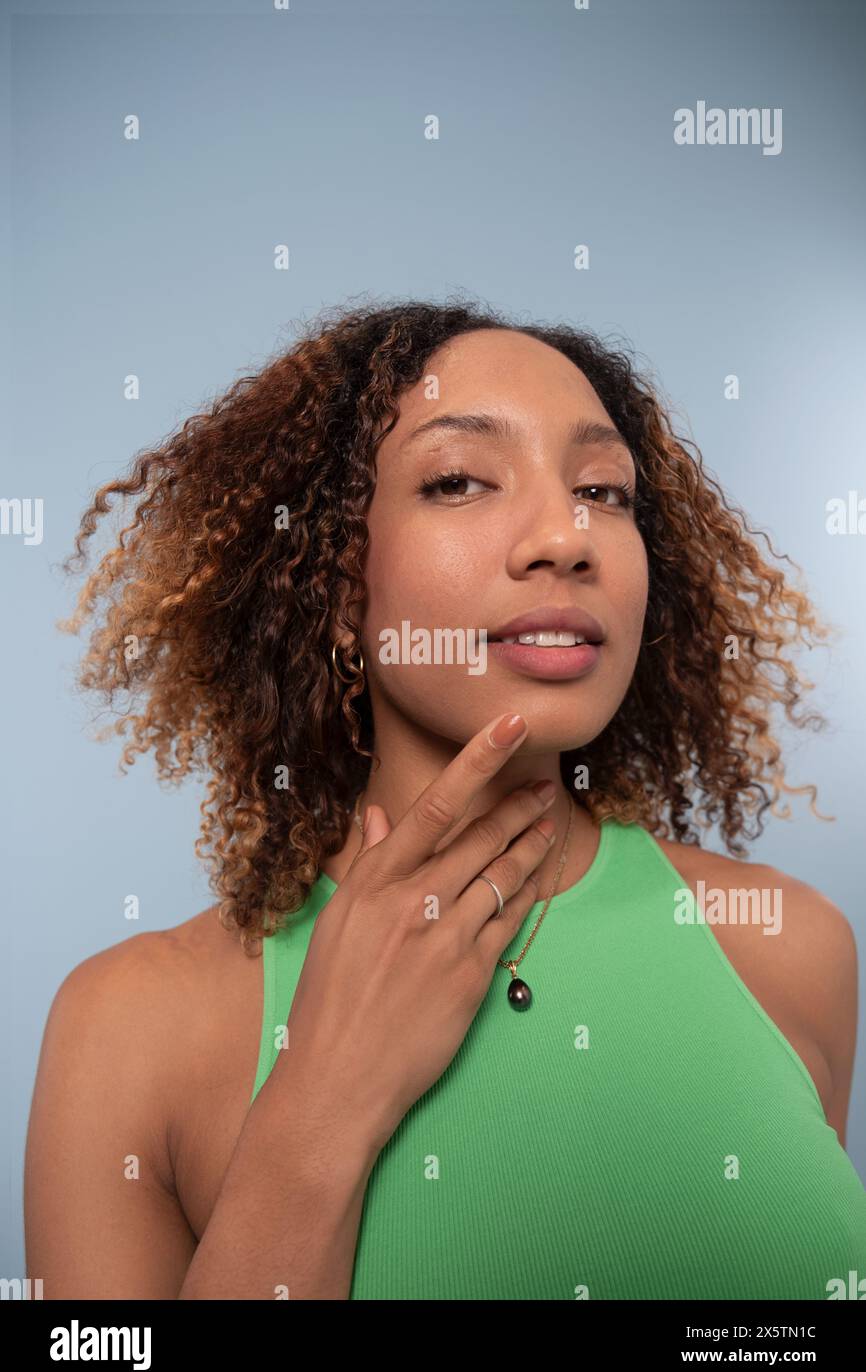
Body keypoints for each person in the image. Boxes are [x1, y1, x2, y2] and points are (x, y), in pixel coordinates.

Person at [25, 298, 866, 1299]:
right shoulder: (128, 1029)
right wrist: (322, 1099)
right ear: (339, 582)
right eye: (458, 480)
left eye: (601, 490)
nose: (565, 537)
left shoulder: (788, 951)